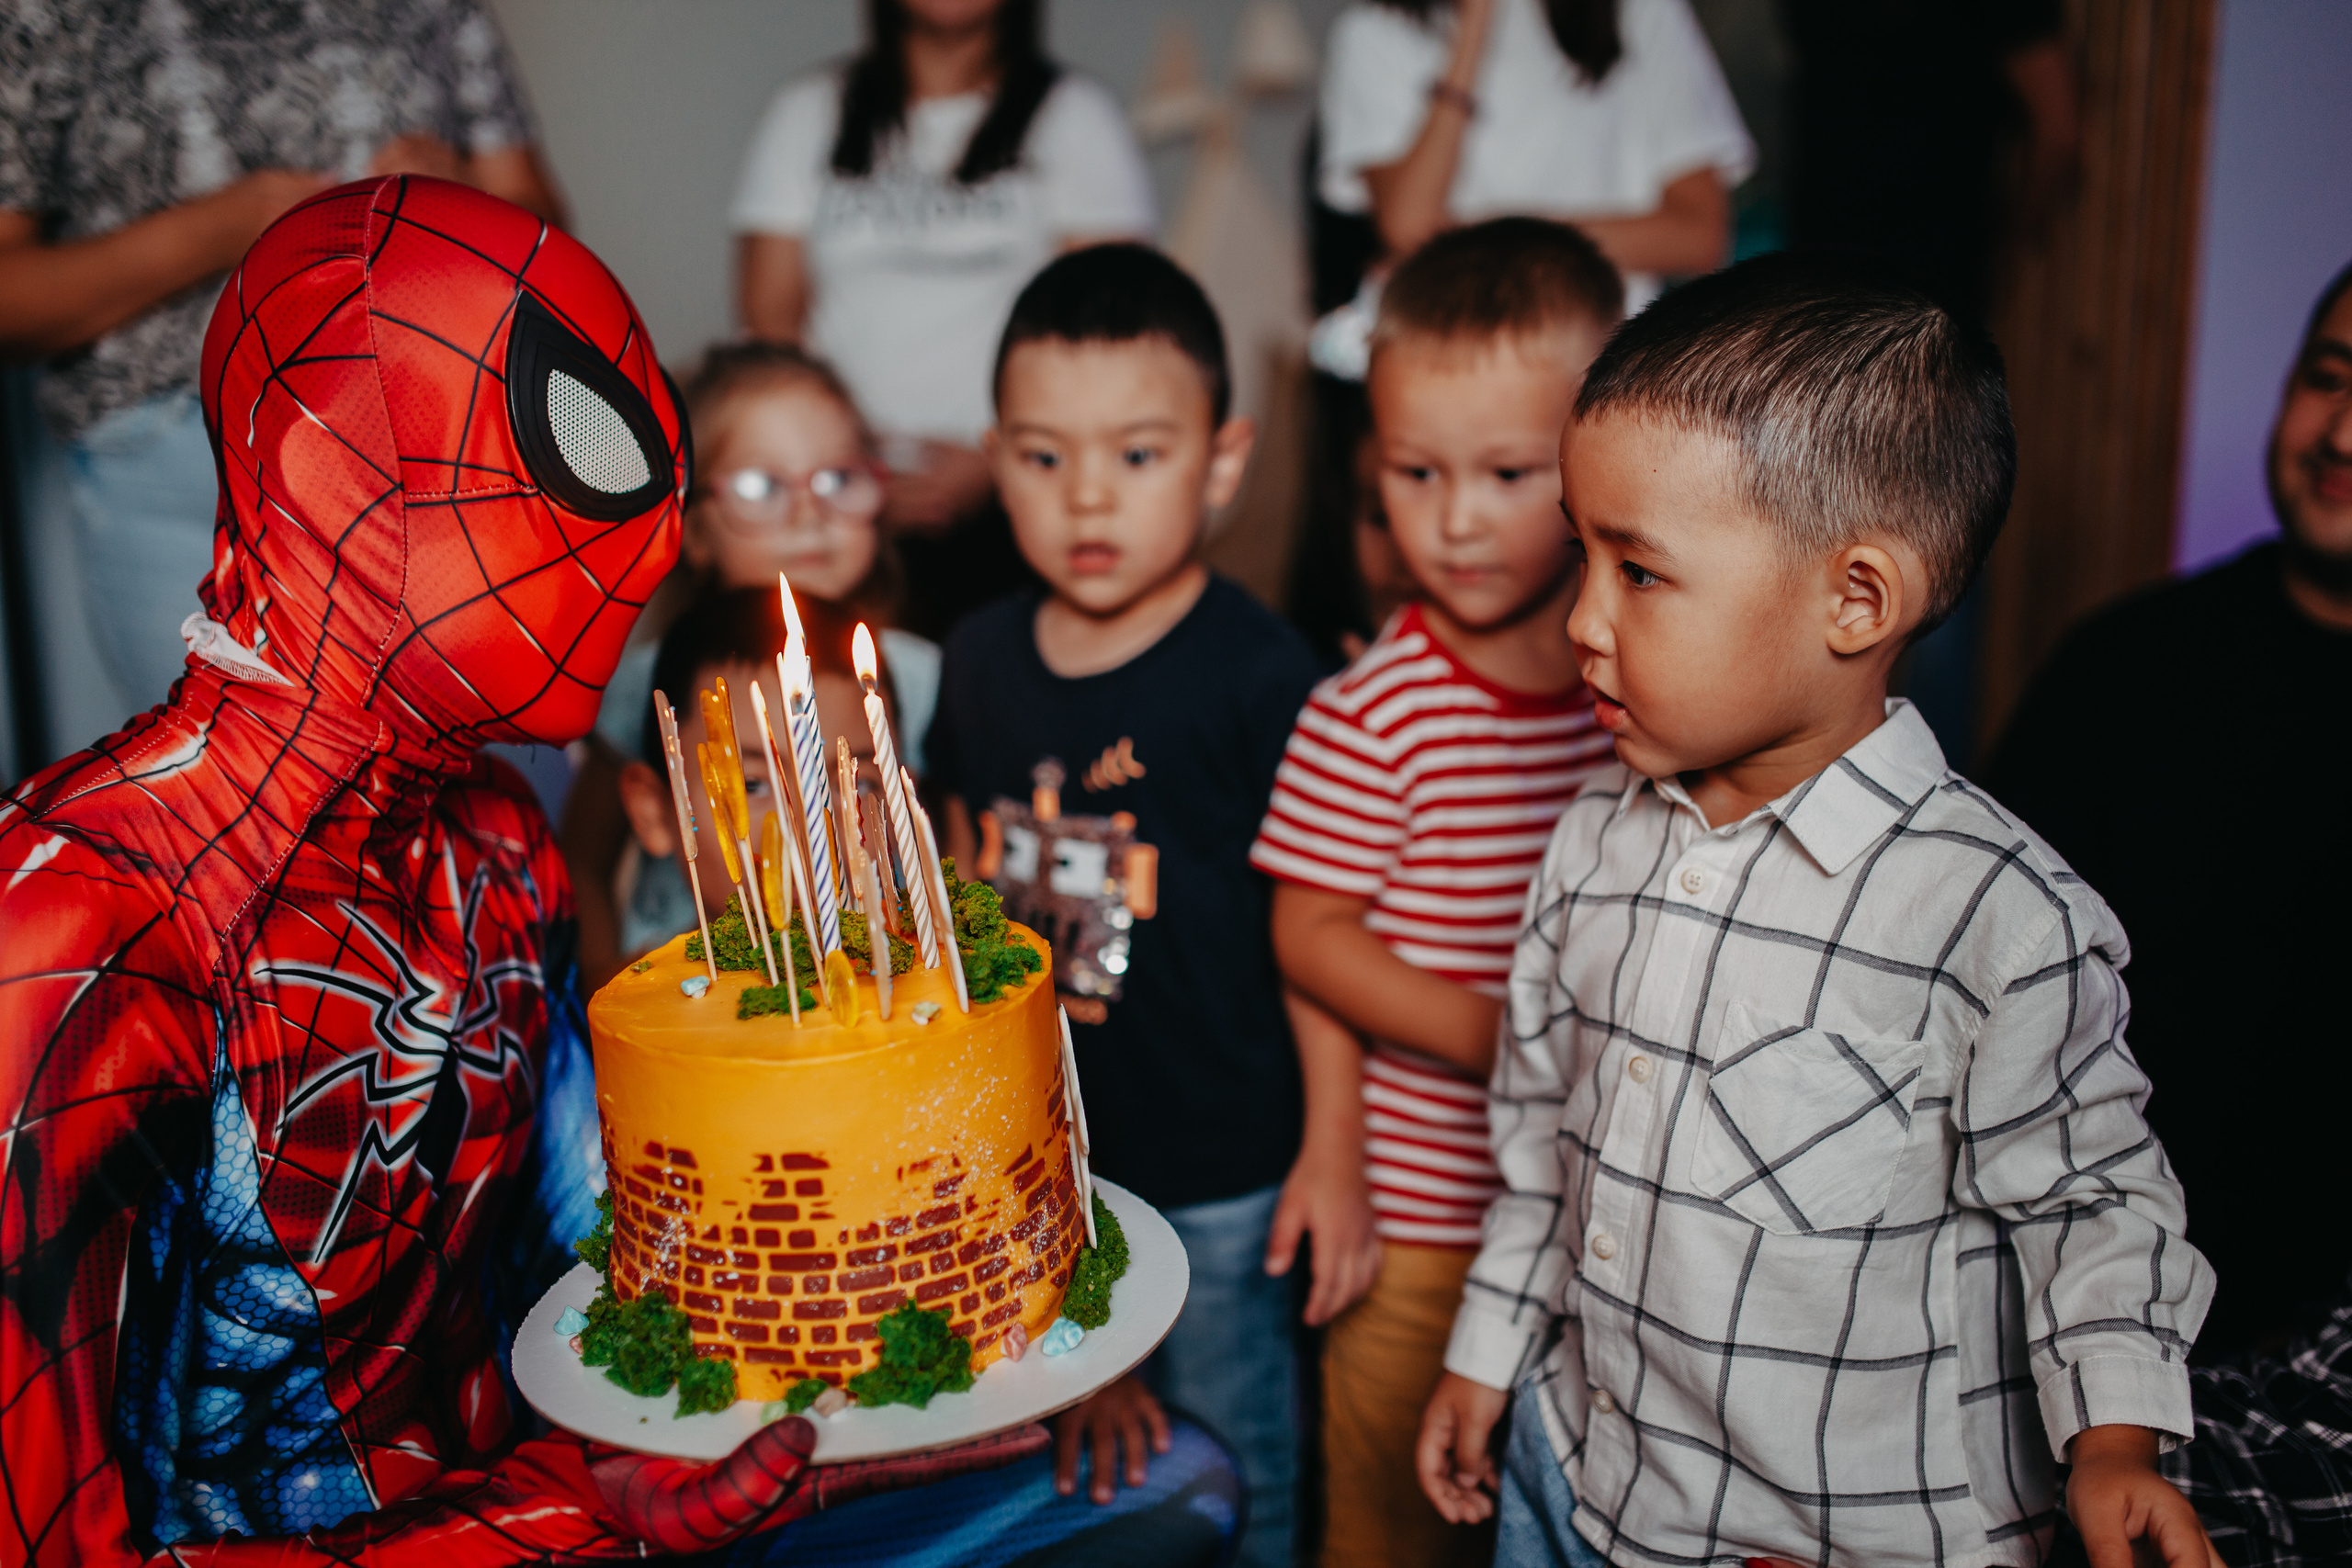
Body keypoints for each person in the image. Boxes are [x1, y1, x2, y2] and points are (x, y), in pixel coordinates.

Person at [1412, 254, 2222, 1568]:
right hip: (1576, 1477)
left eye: (1640, 572)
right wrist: (1487, 1348)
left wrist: (2115, 1441)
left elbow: (2090, 1204)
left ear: (1855, 599)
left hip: (1828, 1538)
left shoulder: (1994, 918)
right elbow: (1540, 1138)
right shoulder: (1590, 843)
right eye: (1580, 554)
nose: (1582, 621)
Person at [928, 244, 1329, 1568]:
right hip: (1034, 1169)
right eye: (1043, 456)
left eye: (1139, 455)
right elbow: (954, 873)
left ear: (1222, 462)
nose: (1087, 494)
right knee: (1067, 1475)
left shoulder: (1261, 673)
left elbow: (1321, 925)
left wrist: (1334, 1145)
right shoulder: (977, 659)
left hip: (1219, 1169)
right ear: (996, 458)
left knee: (1234, 1460)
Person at [1250, 217, 1621, 1568]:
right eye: (1415, 472)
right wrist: (1511, 1043)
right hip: (1420, 1228)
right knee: (1391, 1528)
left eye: (1509, 473)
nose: (1455, 519)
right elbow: (1309, 930)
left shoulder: (1638, 696)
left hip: (1602, 1236)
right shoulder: (1371, 712)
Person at [0, 1, 563, 716]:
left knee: (473, 754)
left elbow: (547, 236)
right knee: (246, 765)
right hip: (187, 476)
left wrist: (454, 197)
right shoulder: (47, 13)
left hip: (433, 452)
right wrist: (220, 230)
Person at [1986, 261, 2352, 1362]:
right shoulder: (2128, 663)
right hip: (2088, 1319)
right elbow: (1974, 985)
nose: (2341, 434)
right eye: (2328, 378)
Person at [731, 0, 1154, 639]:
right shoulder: (809, 111)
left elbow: (1108, 331)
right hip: (834, 494)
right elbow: (770, 329)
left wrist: (1000, 457)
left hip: (1015, 497)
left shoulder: (1075, 116)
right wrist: (851, 466)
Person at [559, 342, 939, 992]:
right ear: (694, 531)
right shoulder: (646, 681)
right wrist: (600, 980)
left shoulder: (918, 674)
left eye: (838, 479)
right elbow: (583, 858)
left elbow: (940, 859)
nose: (810, 514)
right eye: (761, 487)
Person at [1316, 0, 1753, 328]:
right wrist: (1473, 31)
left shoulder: (1639, 11)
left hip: (1607, 364)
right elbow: (1410, 226)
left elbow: (1698, 236)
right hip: (1452, 357)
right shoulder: (1372, 31)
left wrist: (1468, 239)